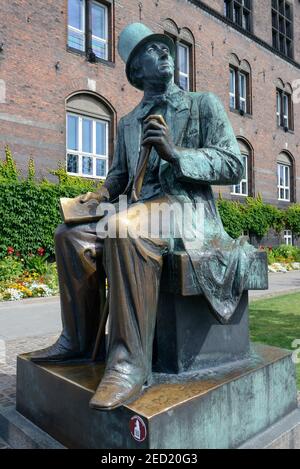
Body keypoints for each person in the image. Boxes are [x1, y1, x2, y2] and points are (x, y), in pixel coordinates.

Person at [29, 23, 252, 410]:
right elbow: (118, 175)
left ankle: (129, 366)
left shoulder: (203, 104)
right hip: (138, 208)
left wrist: (177, 154)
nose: (165, 52)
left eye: (166, 48)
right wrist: (97, 195)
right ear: (136, 70)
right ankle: (80, 343)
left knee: (124, 227)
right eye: (153, 49)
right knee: (71, 237)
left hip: (186, 211)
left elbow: (233, 164)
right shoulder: (129, 122)